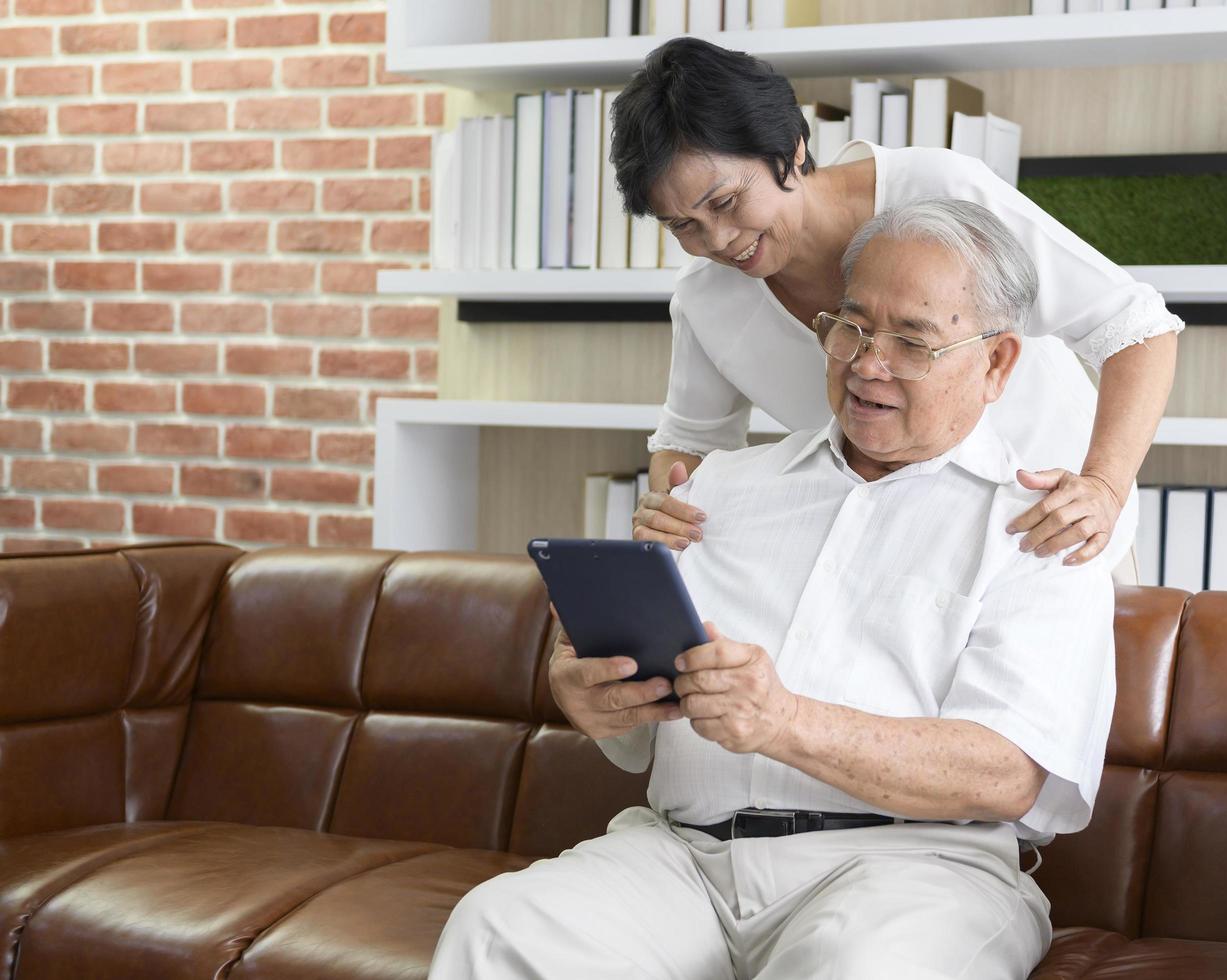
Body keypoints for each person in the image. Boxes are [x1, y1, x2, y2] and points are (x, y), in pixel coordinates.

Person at [428, 198, 1116, 980]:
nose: (866, 363)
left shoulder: (1044, 528)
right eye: (850, 326)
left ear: (995, 365)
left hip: (913, 872)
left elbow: (1008, 773)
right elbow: (635, 722)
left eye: (913, 342)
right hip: (679, 857)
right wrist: (587, 689)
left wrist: (784, 720)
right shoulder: (718, 487)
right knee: (501, 926)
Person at [611, 37, 1182, 574]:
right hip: (897, 565)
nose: (716, 240)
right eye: (683, 224)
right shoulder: (706, 297)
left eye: (727, 201)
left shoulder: (939, 190)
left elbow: (1135, 327)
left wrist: (1103, 487)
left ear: (789, 147)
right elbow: (689, 442)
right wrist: (671, 505)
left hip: (1052, 539)